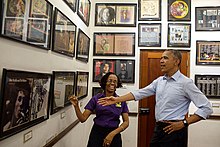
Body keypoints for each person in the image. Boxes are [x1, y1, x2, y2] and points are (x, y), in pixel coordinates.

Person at [98, 49, 213, 147]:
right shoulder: (159, 81)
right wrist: (117, 99)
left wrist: (184, 123)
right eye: (161, 58)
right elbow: (141, 93)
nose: (161, 61)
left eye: (166, 58)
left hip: (175, 130)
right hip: (159, 128)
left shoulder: (185, 83)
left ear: (176, 62)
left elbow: (206, 107)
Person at [69, 72, 129, 147]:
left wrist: (112, 134)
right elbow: (82, 119)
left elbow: (126, 122)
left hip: (114, 133)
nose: (112, 83)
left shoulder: (120, 100)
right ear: (105, 82)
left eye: (115, 81)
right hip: (97, 133)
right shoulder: (96, 99)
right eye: (110, 81)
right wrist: (76, 106)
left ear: (117, 84)